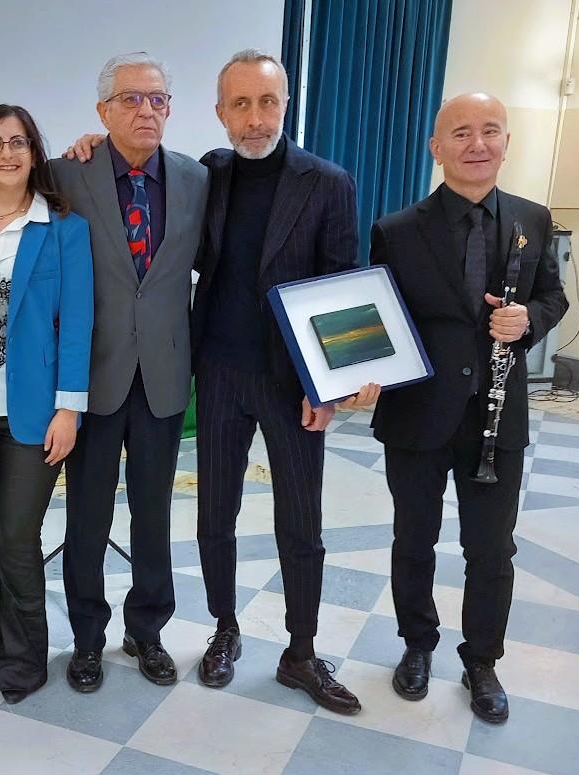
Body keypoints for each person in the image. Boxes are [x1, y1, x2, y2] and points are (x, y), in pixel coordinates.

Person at [370, 92, 568, 723]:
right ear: (436, 148)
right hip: (417, 414)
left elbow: (553, 296)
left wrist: (529, 319)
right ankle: (417, 647)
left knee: (491, 549)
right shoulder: (395, 231)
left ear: (507, 142)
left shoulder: (534, 220)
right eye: (460, 133)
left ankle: (482, 661)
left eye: (490, 132)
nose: (476, 144)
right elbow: (381, 320)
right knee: (414, 540)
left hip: (497, 414)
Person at [190, 50, 377, 714]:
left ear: (286, 104)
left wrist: (327, 385)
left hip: (291, 382)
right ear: (220, 113)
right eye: (239, 104)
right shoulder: (208, 174)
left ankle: (300, 652)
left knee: (301, 523)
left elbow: (340, 287)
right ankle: (223, 629)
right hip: (216, 372)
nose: (254, 117)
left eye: (267, 101)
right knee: (215, 514)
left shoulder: (328, 182)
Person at [49, 53, 208, 692]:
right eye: (132, 99)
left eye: (159, 99)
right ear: (103, 111)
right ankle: (87, 638)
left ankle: (147, 631)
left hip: (165, 372)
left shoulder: (198, 179)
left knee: (153, 509)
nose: (147, 110)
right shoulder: (68, 174)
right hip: (95, 373)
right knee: (87, 512)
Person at [0, 104, 93, 704]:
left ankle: (26, 655)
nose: (7, 153)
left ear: (34, 153)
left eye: (19, 143)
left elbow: (77, 323)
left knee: (18, 539)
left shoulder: (63, 228)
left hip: (31, 415)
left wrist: (70, 408)